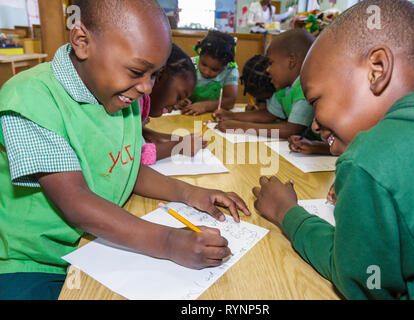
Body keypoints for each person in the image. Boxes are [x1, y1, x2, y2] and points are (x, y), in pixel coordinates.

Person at [0, 0, 249, 300]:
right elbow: (74, 201)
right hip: (33, 261)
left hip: (95, 244)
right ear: (82, 42)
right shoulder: (30, 98)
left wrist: (188, 193)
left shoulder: (120, 96)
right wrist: (169, 242)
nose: (147, 88)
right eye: (136, 71)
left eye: (155, 74)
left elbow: (125, 166)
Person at [252, 0, 414, 299]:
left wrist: (286, 212)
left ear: (377, 69)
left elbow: (364, 283)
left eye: (316, 101)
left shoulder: (370, 163)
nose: (314, 125)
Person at [213, 29, 316, 140]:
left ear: (291, 61)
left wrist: (239, 126)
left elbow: (290, 130)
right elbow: (268, 115)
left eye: (271, 63)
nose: (268, 70)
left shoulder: (305, 89)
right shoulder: (283, 87)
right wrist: (231, 116)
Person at [139, 43, 207, 165]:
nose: (177, 106)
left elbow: (142, 134)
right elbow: (133, 158)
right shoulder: (131, 102)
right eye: (179, 97)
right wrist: (179, 146)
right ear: (160, 75)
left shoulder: (140, 103)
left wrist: (180, 140)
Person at [181, 30, 239, 116]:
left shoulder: (230, 70)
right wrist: (179, 100)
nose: (207, 72)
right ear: (200, 55)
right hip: (187, 114)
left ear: (225, 65)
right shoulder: (190, 65)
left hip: (210, 115)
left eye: (215, 69)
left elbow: (230, 101)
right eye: (203, 64)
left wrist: (205, 106)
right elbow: (174, 92)